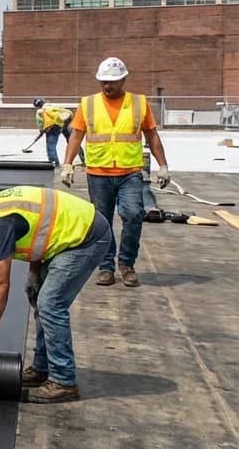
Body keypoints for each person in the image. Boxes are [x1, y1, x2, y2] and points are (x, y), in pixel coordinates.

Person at [0, 183, 112, 404]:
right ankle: (42, 368)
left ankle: (64, 382)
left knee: (50, 304)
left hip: (87, 238)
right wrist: (34, 272)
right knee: (40, 297)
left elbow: (0, 284)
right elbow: (42, 228)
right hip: (71, 232)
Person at [61, 57, 171, 288]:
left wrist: (163, 166)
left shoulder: (139, 103)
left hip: (129, 172)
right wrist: (67, 164)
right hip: (98, 172)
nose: (107, 86)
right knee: (102, 221)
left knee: (133, 214)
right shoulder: (88, 104)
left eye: (111, 82)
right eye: (103, 81)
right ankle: (106, 267)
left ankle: (127, 264)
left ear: (123, 80)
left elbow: (152, 135)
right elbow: (77, 135)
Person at [24, 98, 75, 167]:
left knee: (51, 146)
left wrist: (41, 132)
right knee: (72, 142)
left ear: (37, 106)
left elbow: (40, 123)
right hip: (61, 125)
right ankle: (82, 159)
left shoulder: (40, 111)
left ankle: (54, 163)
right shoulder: (52, 106)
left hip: (51, 129)